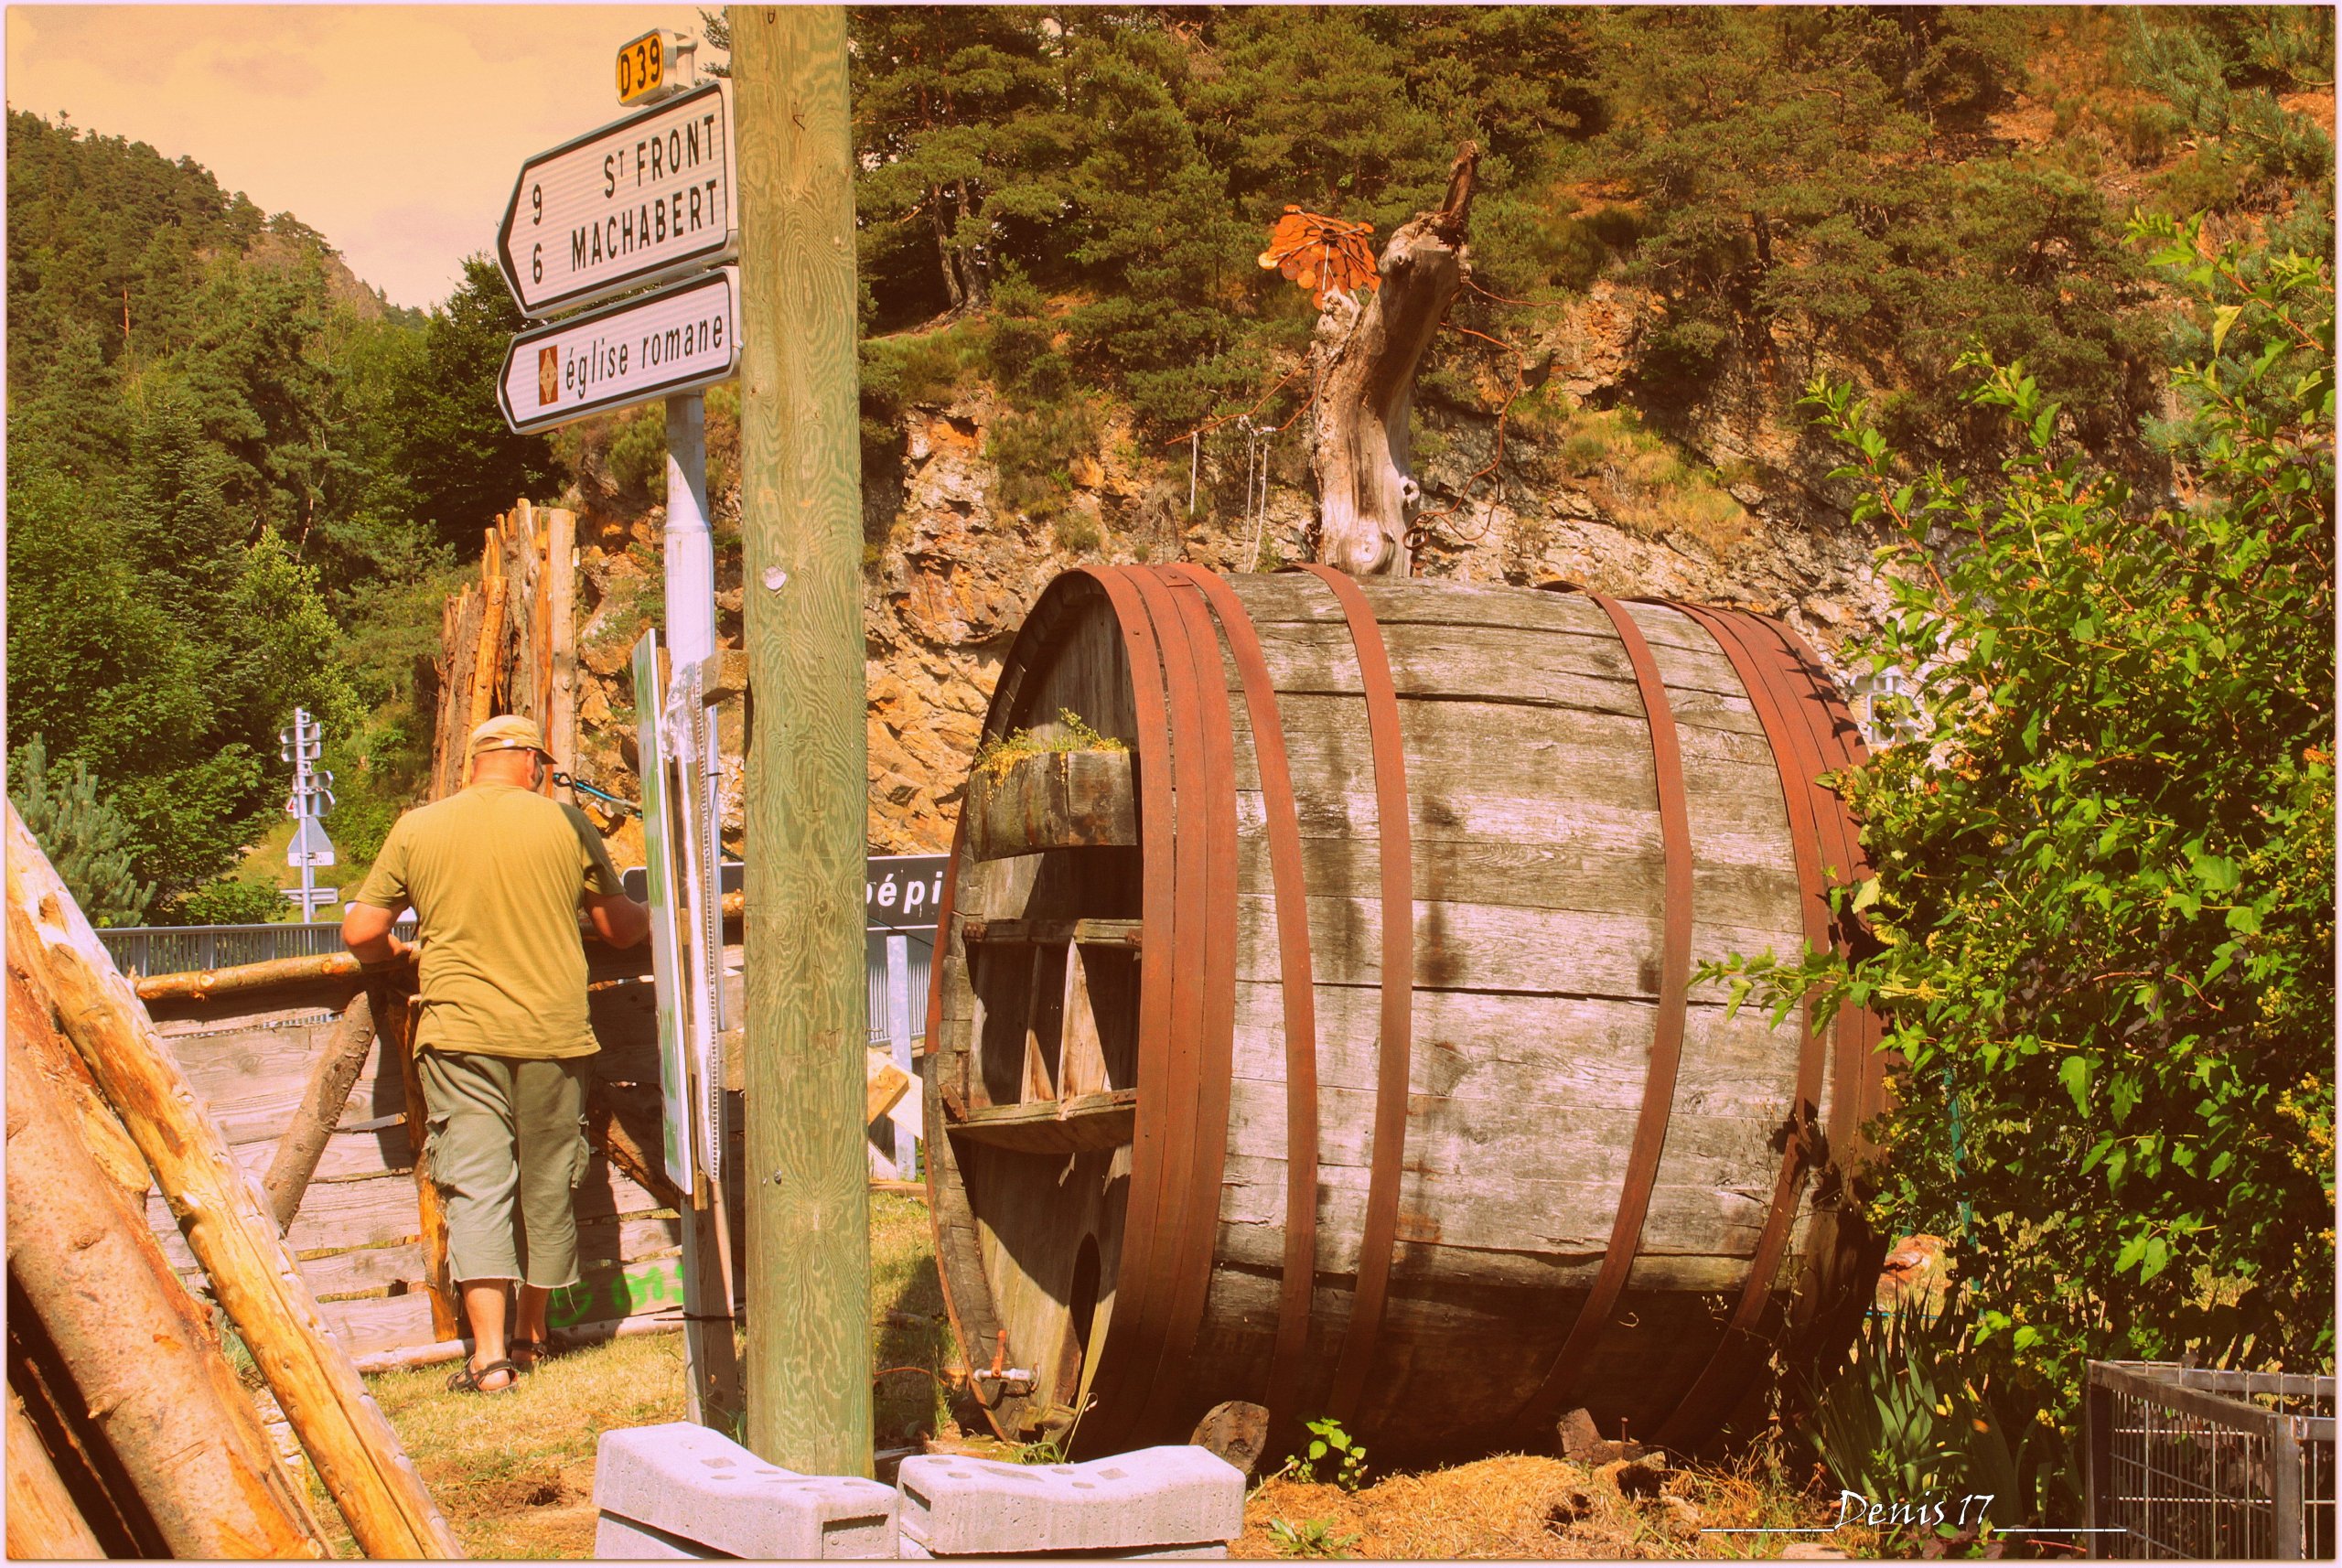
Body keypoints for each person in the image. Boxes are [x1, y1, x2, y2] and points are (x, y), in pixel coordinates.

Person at [342, 714, 650, 1394]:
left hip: (459, 1035)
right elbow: (621, 931)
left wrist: (395, 956)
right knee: (547, 1182)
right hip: (553, 1034)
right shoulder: (567, 827)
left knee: (476, 1186)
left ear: (475, 763)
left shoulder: (418, 827)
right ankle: (532, 1337)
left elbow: (361, 930)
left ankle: (488, 1362)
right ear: (535, 763)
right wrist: (662, 906)